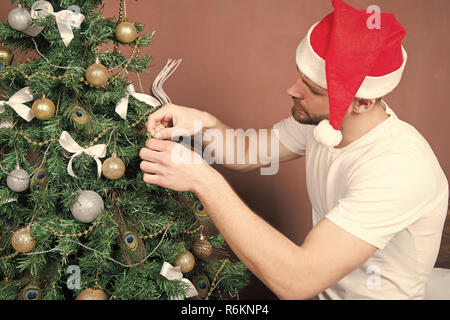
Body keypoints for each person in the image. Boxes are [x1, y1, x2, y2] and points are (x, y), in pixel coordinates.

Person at [139, 0, 448, 299]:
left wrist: (202, 179)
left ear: (363, 102)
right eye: (302, 78)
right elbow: (247, 150)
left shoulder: (399, 169)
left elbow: (296, 281)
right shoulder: (322, 122)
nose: (292, 90)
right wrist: (201, 122)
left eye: (313, 89)